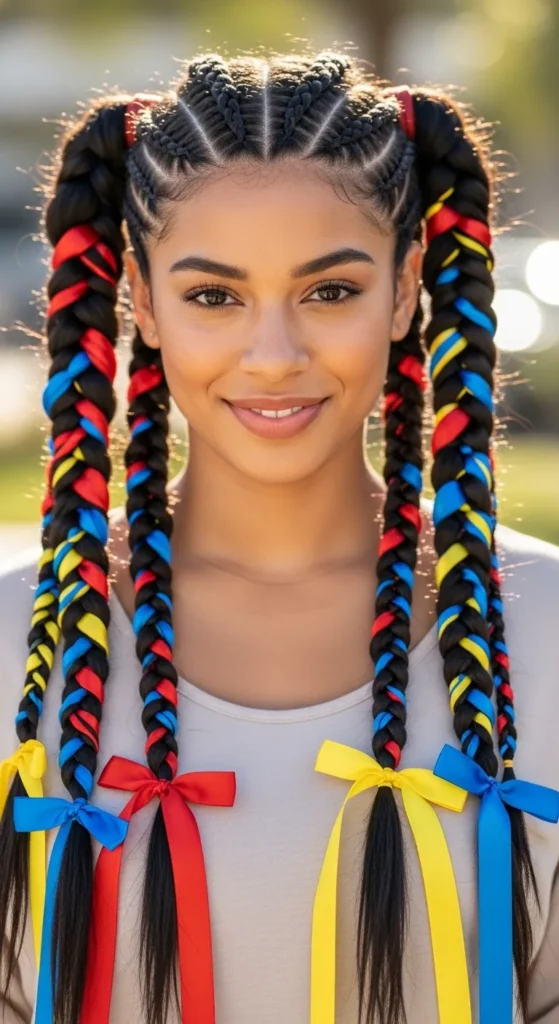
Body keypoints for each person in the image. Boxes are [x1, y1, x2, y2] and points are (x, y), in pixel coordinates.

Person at [0, 48, 558, 1024]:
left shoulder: (544, 628)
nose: (273, 356)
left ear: (403, 287)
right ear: (141, 298)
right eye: (214, 296)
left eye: (329, 291)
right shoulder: (17, 640)